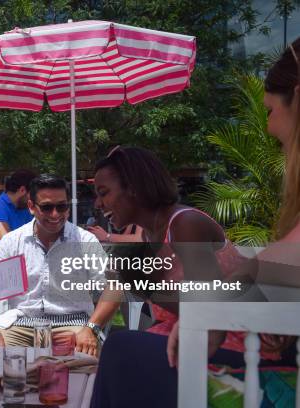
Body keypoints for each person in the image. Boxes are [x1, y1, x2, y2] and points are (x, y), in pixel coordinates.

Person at [91, 37, 300, 407]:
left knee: (121, 349)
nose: (99, 202)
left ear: (134, 189)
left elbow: (207, 306)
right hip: (223, 336)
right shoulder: (148, 234)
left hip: (239, 348)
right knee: (116, 352)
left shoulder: (185, 224)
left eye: (105, 192)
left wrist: (145, 284)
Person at [0, 175, 108, 356]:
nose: (55, 214)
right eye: (46, 207)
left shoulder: (84, 240)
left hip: (73, 325)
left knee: (85, 367)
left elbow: (113, 288)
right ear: (31, 207)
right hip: (20, 326)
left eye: (61, 206)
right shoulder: (12, 241)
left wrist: (91, 328)